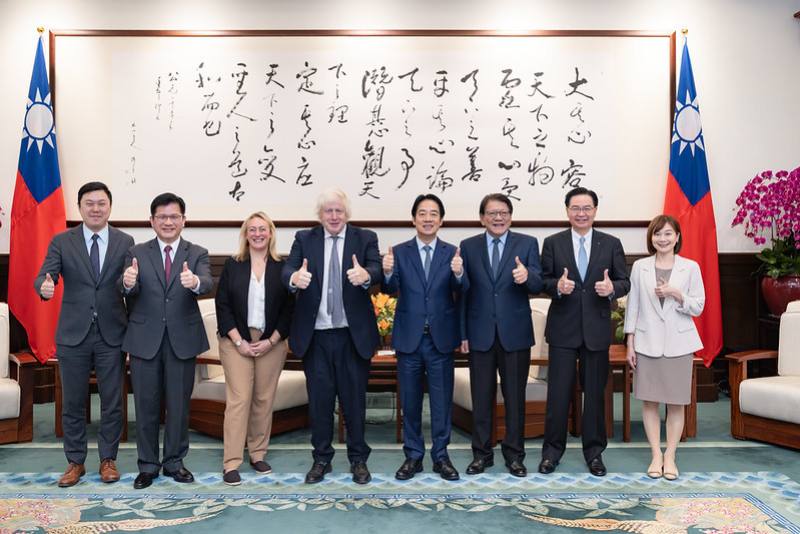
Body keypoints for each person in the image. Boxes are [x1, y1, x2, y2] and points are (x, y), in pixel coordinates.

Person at [34, 181, 134, 488]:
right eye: (89, 203)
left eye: (101, 203)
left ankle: (108, 460)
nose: (95, 208)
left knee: (112, 401)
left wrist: (129, 284)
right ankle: (75, 462)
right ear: (80, 207)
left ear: (109, 206)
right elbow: (44, 276)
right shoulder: (62, 241)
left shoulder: (125, 241)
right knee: (74, 402)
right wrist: (44, 288)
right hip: (73, 333)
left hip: (112, 333)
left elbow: (129, 286)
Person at [281, 188, 381, 485]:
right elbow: (288, 268)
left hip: (352, 336)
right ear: (320, 215)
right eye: (328, 211)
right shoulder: (305, 238)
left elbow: (376, 268)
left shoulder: (365, 238)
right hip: (317, 337)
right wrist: (293, 278)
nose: (334, 216)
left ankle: (358, 460)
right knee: (320, 403)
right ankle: (321, 459)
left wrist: (366, 276)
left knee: (354, 403)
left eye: (339, 211)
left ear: (346, 214)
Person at [121, 192, 213, 490]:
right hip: (144, 339)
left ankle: (174, 462)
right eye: (162, 217)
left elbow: (207, 281)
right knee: (146, 405)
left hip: (181, 339)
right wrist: (127, 283)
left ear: (184, 220)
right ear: (152, 221)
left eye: (174, 217)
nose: (169, 222)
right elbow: (125, 288)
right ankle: (147, 466)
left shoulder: (196, 252)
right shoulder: (136, 252)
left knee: (178, 406)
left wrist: (195, 283)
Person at [539, 187, 630, 477]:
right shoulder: (553, 243)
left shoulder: (611, 243)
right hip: (563, 330)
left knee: (594, 395)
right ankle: (551, 453)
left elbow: (624, 281)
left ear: (595, 211)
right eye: (576, 208)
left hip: (596, 330)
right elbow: (543, 280)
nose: (581, 213)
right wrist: (557, 287)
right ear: (567, 211)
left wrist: (611, 289)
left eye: (587, 208)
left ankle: (594, 453)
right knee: (557, 395)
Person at [459, 193, 543, 477]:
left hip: (515, 334)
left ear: (510, 215)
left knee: (514, 398)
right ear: (482, 217)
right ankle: (481, 455)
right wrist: (463, 333)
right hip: (479, 333)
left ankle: (514, 455)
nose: (498, 218)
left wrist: (526, 277)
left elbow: (538, 280)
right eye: (492, 213)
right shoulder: (468, 247)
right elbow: (463, 292)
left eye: (504, 212)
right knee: (481, 398)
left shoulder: (527, 243)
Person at [382, 194, 463, 481]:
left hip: (440, 339)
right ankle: (413, 456)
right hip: (409, 339)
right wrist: (388, 271)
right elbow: (390, 288)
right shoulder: (400, 252)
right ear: (413, 218)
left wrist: (460, 273)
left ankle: (441, 456)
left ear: (441, 220)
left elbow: (461, 289)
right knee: (411, 401)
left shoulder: (452, 252)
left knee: (442, 403)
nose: (428, 219)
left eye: (433, 214)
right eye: (422, 213)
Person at [215, 211, 294, 486]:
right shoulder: (233, 265)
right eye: (252, 230)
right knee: (239, 400)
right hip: (235, 339)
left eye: (263, 229)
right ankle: (231, 462)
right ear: (245, 235)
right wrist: (239, 341)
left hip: (271, 341)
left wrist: (271, 340)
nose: (258, 234)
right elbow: (222, 305)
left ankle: (258, 453)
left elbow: (288, 310)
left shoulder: (282, 267)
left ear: (270, 233)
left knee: (263, 399)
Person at [624, 214, 705, 480]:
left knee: (676, 403)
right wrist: (630, 343)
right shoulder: (640, 267)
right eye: (658, 234)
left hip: (679, 344)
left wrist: (676, 293)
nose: (663, 239)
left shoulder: (690, 268)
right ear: (651, 238)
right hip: (647, 343)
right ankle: (655, 454)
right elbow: (633, 307)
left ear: (677, 237)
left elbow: (698, 305)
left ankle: (670, 455)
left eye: (668, 234)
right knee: (649, 402)